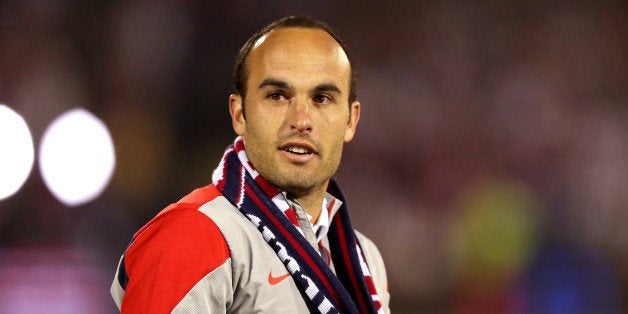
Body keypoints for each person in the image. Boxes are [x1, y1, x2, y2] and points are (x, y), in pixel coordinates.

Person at [111, 15, 390, 314]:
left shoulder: (365, 259)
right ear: (239, 114)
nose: (301, 121)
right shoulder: (192, 237)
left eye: (321, 98)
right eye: (277, 96)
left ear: (351, 120)